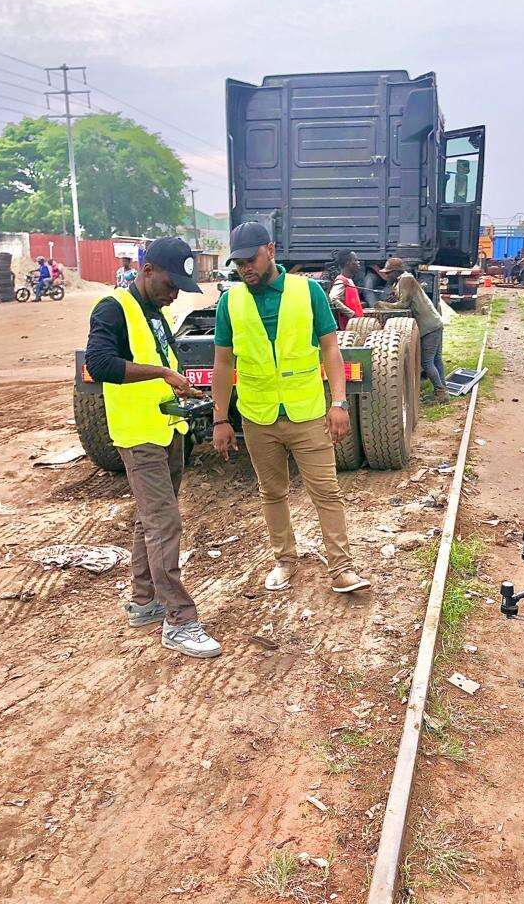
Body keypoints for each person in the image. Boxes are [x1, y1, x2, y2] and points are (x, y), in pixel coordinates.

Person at [211, 222, 371, 595]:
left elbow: (331, 348)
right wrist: (220, 418)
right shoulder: (230, 302)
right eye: (238, 263)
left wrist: (338, 402)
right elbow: (222, 363)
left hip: (307, 412)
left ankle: (342, 568)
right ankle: (284, 559)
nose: (245, 268)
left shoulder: (308, 291)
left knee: (326, 491)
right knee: (272, 492)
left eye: (251, 259)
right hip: (258, 415)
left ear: (270, 250)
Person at [84, 237, 222, 659]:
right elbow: (99, 363)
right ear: (146, 270)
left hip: (167, 427)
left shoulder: (157, 314)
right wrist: (162, 372)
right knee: (165, 522)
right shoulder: (113, 308)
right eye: (170, 282)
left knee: (152, 521)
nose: (175, 292)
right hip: (138, 435)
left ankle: (145, 601)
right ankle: (180, 621)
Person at [376, 257, 449, 403]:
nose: (386, 275)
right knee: (436, 359)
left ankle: (440, 393)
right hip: (434, 323)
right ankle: (443, 391)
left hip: (429, 326)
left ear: (395, 272)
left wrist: (383, 304)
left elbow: (403, 305)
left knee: (427, 362)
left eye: (388, 273)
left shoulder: (406, 279)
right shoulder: (401, 281)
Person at [328, 250, 365, 329]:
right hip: (349, 326)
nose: (358, 262)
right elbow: (333, 298)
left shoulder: (349, 280)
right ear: (348, 263)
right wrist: (351, 314)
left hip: (355, 324)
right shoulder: (341, 281)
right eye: (355, 260)